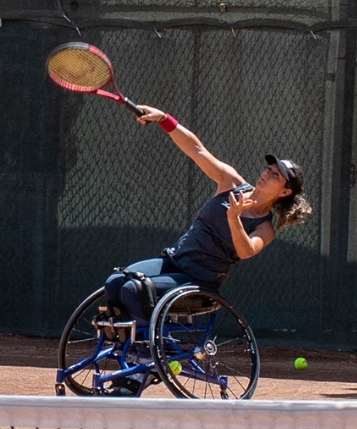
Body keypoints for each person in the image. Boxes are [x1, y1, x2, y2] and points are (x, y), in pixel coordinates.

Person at [102, 105, 313, 338]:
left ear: (284, 192)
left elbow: (245, 251)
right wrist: (163, 118)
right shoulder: (231, 182)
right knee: (115, 282)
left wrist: (233, 219)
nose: (266, 173)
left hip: (199, 281)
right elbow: (196, 149)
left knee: (133, 290)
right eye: (269, 168)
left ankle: (150, 351)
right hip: (174, 261)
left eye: (275, 176)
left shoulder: (265, 228)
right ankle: (133, 350)